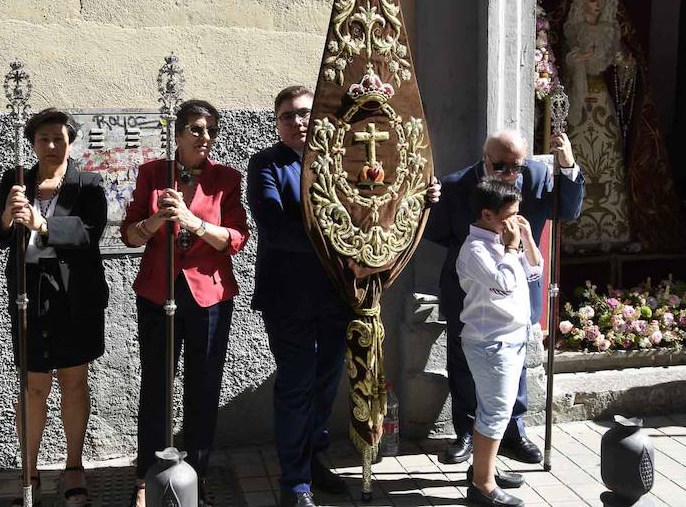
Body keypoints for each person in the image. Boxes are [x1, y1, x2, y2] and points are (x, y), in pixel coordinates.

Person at [248, 86, 441, 507]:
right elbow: (276, 227)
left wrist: (420, 196)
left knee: (324, 385)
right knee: (296, 386)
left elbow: (379, 203)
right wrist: (343, 240)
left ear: (318, 116)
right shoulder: (266, 164)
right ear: (277, 123)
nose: (298, 122)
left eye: (304, 113)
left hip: (341, 296)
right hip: (290, 299)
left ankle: (314, 460)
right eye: (288, 116)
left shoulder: (344, 158)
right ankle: (294, 483)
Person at [425, 129, 584, 465]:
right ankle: (467, 432)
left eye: (517, 166)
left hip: (518, 295)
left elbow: (567, 212)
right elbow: (437, 232)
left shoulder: (539, 176)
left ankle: (513, 431)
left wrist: (567, 164)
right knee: (464, 364)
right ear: (485, 158)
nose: (511, 174)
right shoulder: (456, 184)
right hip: (469, 297)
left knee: (516, 365)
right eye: (501, 166)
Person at [121, 99, 249, 507]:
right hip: (159, 292)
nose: (205, 138)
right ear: (176, 134)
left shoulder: (226, 179)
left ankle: (197, 472)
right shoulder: (151, 174)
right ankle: (149, 473)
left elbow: (236, 239)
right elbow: (129, 235)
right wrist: (159, 218)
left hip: (208, 294)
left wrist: (194, 223)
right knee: (157, 383)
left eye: (211, 130)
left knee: (203, 384)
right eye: (195, 129)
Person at [0, 107, 108, 507]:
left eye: (59, 139)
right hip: (28, 297)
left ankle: (73, 467)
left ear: (71, 141)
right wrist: (5, 216)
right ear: (31, 144)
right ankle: (29, 471)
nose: (51, 146)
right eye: (42, 140)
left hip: (75, 298)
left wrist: (42, 225)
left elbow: (89, 234)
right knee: (33, 386)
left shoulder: (89, 183)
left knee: (73, 381)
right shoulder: (15, 180)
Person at [561, 0, 683, 253]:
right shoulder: (570, 31)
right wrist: (574, 60)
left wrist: (624, 62)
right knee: (576, 159)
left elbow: (628, 67)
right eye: (593, 0)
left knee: (608, 159)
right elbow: (559, 70)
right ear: (581, 3)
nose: (598, 5)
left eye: (603, 0)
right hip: (577, 108)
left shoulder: (610, 32)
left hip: (602, 103)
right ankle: (574, 233)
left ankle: (612, 230)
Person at [457, 179, 542, 507]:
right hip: (490, 343)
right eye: (510, 215)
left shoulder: (503, 238)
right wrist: (509, 247)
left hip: (510, 339)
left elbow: (534, 271)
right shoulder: (476, 249)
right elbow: (505, 284)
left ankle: (484, 468)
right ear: (487, 214)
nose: (515, 221)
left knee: (493, 411)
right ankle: (483, 485)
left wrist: (527, 239)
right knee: (494, 413)